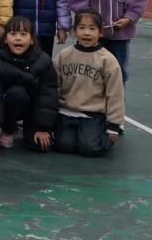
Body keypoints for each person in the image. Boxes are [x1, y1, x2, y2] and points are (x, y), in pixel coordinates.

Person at [0, 16, 59, 155]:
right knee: (17, 93)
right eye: (13, 34)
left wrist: (43, 127)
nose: (18, 38)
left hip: (34, 108)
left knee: (38, 146)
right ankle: (8, 129)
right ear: (5, 39)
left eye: (23, 34)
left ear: (32, 39)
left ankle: (30, 127)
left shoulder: (44, 61)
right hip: (9, 106)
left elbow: (47, 95)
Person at [53, 9, 125, 156]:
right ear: (74, 31)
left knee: (89, 148)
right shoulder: (64, 55)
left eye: (92, 29)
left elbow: (115, 94)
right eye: (82, 28)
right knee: (64, 146)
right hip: (67, 112)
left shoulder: (107, 60)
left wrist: (114, 125)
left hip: (93, 114)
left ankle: (100, 133)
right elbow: (54, 86)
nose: (86, 33)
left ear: (100, 32)